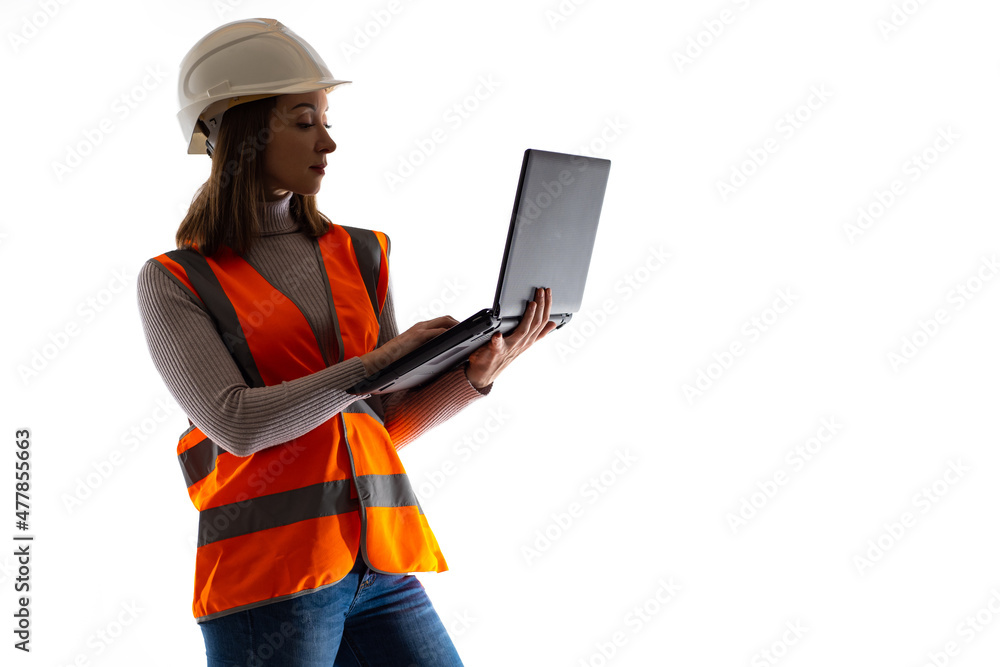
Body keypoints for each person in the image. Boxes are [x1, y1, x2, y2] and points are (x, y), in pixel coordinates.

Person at [136, 18, 556, 666]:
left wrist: (474, 376)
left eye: (326, 120)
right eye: (304, 120)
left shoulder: (362, 254)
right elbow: (237, 425)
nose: (328, 141)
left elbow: (377, 423)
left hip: (379, 565)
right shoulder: (178, 280)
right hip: (271, 580)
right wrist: (380, 361)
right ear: (241, 132)